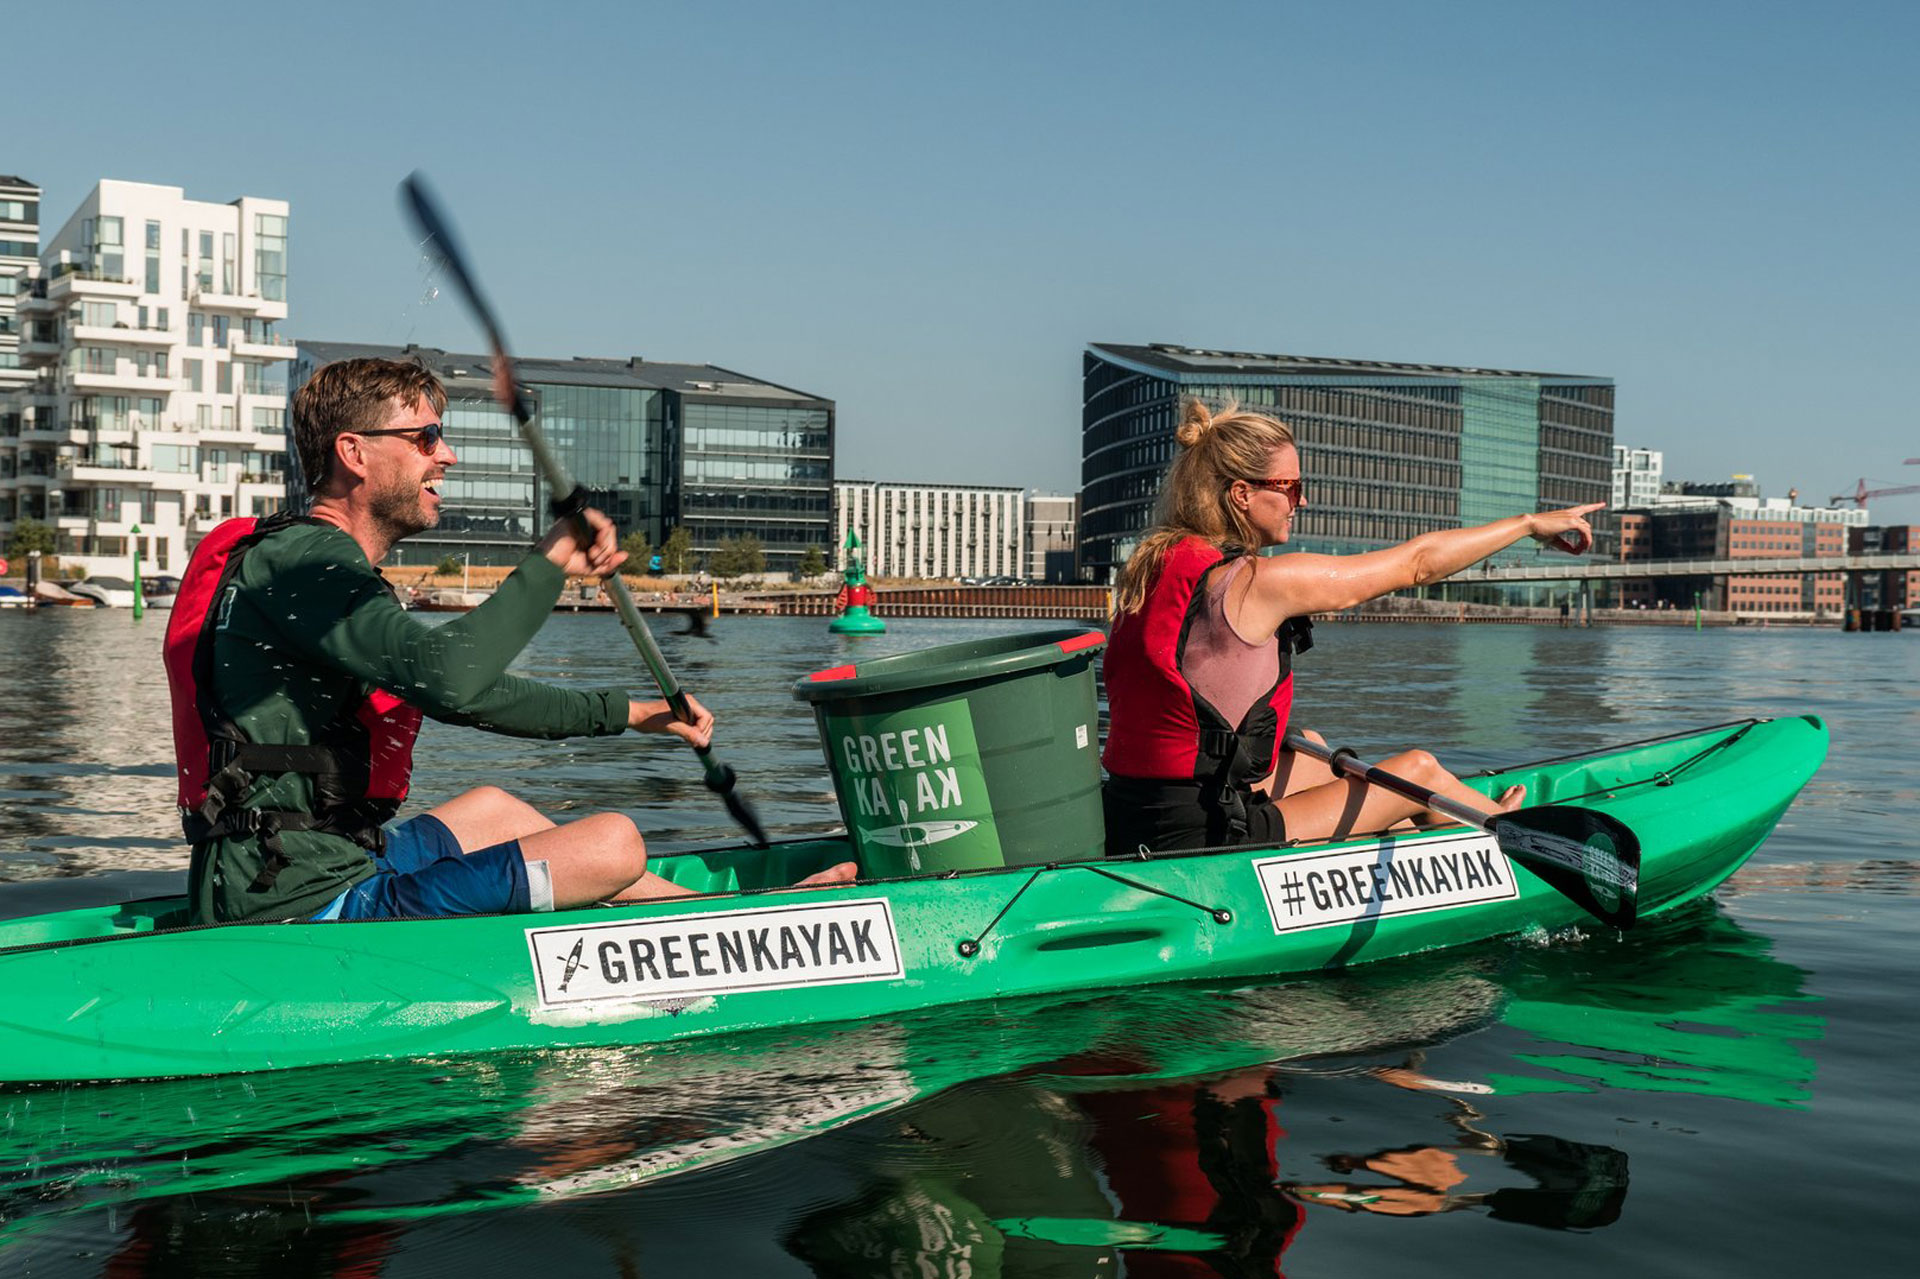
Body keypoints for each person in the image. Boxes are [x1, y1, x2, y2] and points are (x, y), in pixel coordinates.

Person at [167, 357, 853, 925]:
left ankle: (723, 920)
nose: (448, 455)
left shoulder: (313, 567)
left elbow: (466, 693)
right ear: (354, 452)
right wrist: (550, 558)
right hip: (297, 902)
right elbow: (451, 674)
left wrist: (631, 713)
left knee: (496, 810)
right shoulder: (305, 566)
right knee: (615, 842)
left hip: (325, 856)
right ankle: (738, 927)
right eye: (426, 437)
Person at [1101, 398, 1602, 855]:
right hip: (1203, 831)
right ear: (1241, 495)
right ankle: (1526, 841)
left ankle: (1420, 843)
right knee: (1418, 771)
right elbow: (1418, 563)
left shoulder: (1154, 566)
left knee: (1312, 748)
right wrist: (1528, 525)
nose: (1301, 501)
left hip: (1136, 810)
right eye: (1290, 487)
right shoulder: (1261, 582)